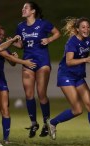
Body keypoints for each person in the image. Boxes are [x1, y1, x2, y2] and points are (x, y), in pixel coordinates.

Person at [46, 17, 90, 146]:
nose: (86, 29)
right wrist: (85, 60)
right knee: (77, 109)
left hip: (79, 77)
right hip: (66, 76)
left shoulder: (88, 41)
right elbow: (69, 61)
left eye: (88, 27)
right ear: (78, 29)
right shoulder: (71, 43)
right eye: (83, 27)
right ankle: (52, 122)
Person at [0, 18, 36, 144]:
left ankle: (4, 139)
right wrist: (24, 62)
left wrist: (14, 54)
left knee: (2, 108)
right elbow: (5, 55)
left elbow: (9, 58)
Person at [13, 1, 61, 138]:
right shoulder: (20, 27)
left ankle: (46, 123)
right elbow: (21, 45)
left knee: (41, 93)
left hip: (42, 62)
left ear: (33, 11)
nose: (23, 9)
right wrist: (14, 42)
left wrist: (49, 40)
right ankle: (34, 123)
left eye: (25, 7)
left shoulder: (43, 23)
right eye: (22, 7)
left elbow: (57, 33)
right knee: (29, 94)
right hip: (27, 62)